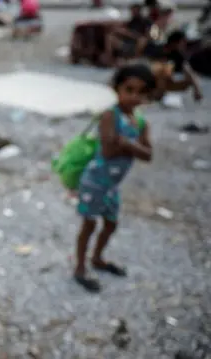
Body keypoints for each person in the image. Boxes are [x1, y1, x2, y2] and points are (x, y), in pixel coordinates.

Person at [73, 63, 155, 293]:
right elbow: (108, 150)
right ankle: (80, 267)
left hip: (112, 185)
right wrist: (134, 147)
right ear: (117, 88)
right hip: (95, 181)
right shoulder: (110, 115)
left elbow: (149, 155)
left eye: (141, 92)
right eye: (129, 89)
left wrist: (126, 144)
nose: (134, 96)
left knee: (110, 224)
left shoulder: (139, 121)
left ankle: (97, 258)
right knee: (89, 224)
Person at [149, 30, 204, 102]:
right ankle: (155, 94)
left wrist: (197, 90)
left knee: (189, 81)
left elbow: (188, 71)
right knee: (164, 69)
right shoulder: (158, 49)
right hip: (151, 79)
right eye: (182, 42)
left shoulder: (177, 55)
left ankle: (160, 93)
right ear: (174, 42)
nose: (184, 45)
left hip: (166, 82)